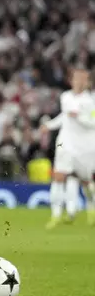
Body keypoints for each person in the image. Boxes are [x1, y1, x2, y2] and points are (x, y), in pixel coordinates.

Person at [40, 67, 95, 228]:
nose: (79, 81)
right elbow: (64, 116)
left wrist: (79, 117)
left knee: (87, 182)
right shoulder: (65, 97)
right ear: (72, 80)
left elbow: (93, 122)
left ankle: (91, 209)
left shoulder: (91, 101)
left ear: (87, 82)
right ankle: (55, 215)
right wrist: (49, 126)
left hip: (85, 146)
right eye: (76, 78)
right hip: (65, 143)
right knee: (58, 177)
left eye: (82, 79)